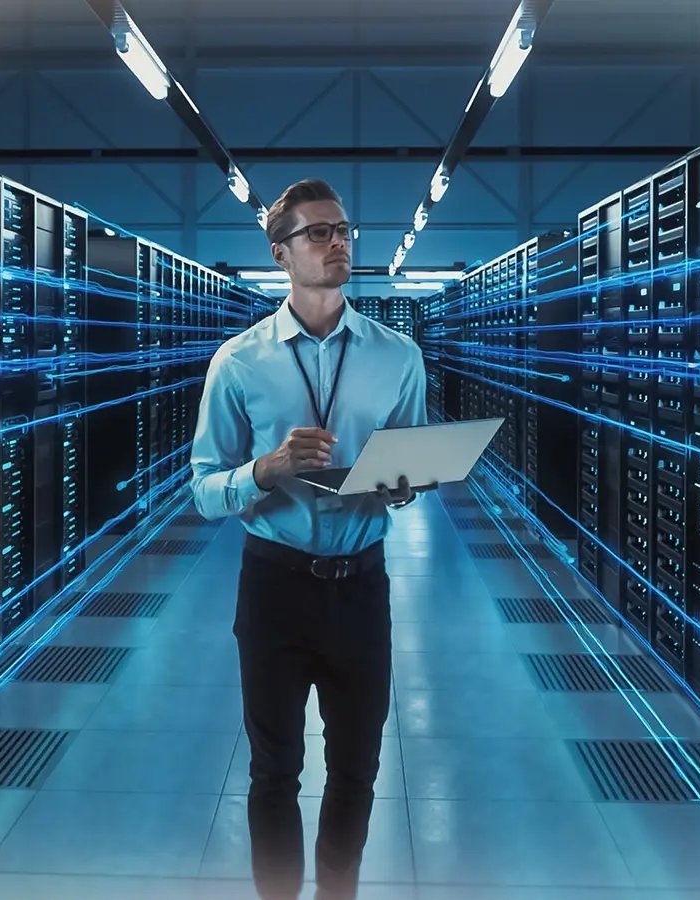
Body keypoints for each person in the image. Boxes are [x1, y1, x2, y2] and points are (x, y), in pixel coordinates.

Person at [189, 178, 428, 900]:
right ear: (281, 253)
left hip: (362, 587)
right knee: (274, 771)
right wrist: (265, 469)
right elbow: (203, 488)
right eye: (318, 233)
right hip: (276, 587)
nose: (337, 243)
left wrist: (405, 483)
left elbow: (413, 457)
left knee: (357, 769)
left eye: (344, 230)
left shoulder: (398, 356)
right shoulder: (239, 361)